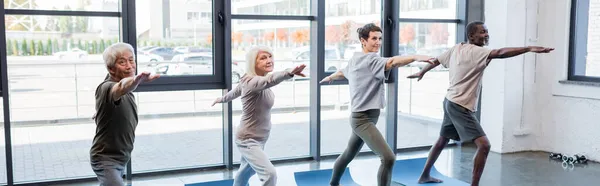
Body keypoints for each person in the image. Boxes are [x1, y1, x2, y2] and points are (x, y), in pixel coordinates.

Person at [406, 21, 554, 186]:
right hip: (460, 105)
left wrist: (422, 71)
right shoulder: (477, 51)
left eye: (487, 31)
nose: (486, 35)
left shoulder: (457, 48)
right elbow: (500, 53)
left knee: (443, 140)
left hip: (450, 101)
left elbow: (437, 60)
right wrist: (528, 48)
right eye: (482, 32)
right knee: (484, 145)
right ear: (471, 36)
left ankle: (425, 175)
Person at [320, 23, 434, 186]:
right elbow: (393, 62)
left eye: (380, 38)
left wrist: (331, 77)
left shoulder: (355, 59)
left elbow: (343, 72)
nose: (378, 42)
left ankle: (333, 183)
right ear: (363, 41)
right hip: (363, 119)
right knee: (388, 157)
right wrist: (415, 57)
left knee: (348, 154)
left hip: (363, 117)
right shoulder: (371, 60)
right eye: (374, 38)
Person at [211, 46, 306, 186]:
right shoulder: (252, 82)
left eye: (270, 56)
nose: (269, 60)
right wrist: (288, 73)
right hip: (248, 139)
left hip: (260, 138)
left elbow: (235, 92)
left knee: (245, 172)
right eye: (263, 58)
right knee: (270, 174)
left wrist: (222, 99)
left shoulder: (253, 81)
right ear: (253, 63)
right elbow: (271, 80)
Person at [90, 42, 160, 186]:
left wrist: (100, 115)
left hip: (121, 158)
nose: (129, 66)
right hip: (106, 159)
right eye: (122, 62)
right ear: (111, 68)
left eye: (131, 60)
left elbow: (110, 107)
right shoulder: (107, 87)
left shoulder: (127, 92)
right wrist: (136, 80)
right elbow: (120, 87)